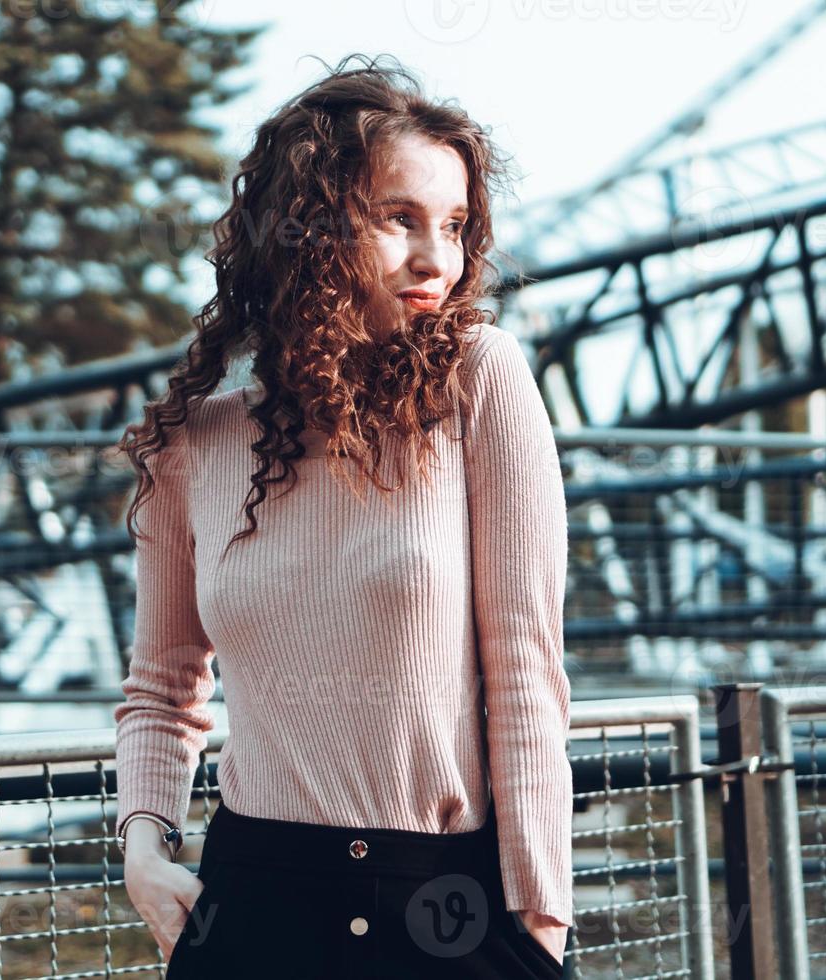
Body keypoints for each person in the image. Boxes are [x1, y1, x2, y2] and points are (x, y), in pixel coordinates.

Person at [111, 53, 573, 978]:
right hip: (251, 904)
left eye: (452, 225)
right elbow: (163, 683)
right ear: (308, 227)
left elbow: (526, 668)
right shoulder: (193, 441)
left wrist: (542, 919)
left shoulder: (481, 382)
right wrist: (141, 849)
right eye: (399, 219)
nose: (437, 259)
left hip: (447, 899)